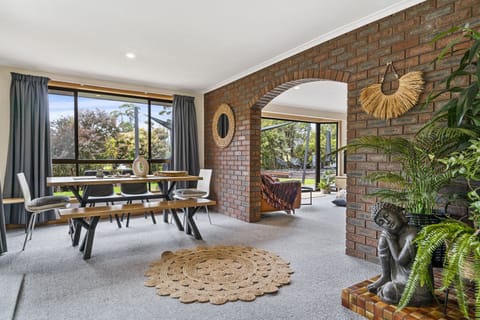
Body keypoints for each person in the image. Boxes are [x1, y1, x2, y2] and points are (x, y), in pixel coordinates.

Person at [367, 202, 433, 306]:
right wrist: (388, 239)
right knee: (384, 237)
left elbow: (401, 261)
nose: (386, 222)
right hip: (400, 280)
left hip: (418, 289)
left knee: (389, 290)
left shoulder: (413, 235)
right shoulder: (393, 235)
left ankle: (386, 289)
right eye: (381, 222)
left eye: (386, 216)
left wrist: (392, 241)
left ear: (397, 212)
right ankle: (386, 276)